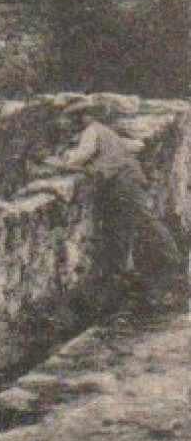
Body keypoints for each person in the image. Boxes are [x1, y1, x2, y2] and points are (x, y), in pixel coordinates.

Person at [42, 108, 189, 308]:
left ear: (85, 117)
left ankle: (175, 265)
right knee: (124, 226)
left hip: (123, 180)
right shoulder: (105, 133)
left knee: (142, 220)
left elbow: (81, 156)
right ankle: (129, 277)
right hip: (122, 180)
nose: (68, 125)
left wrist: (56, 164)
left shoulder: (93, 131)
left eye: (72, 119)